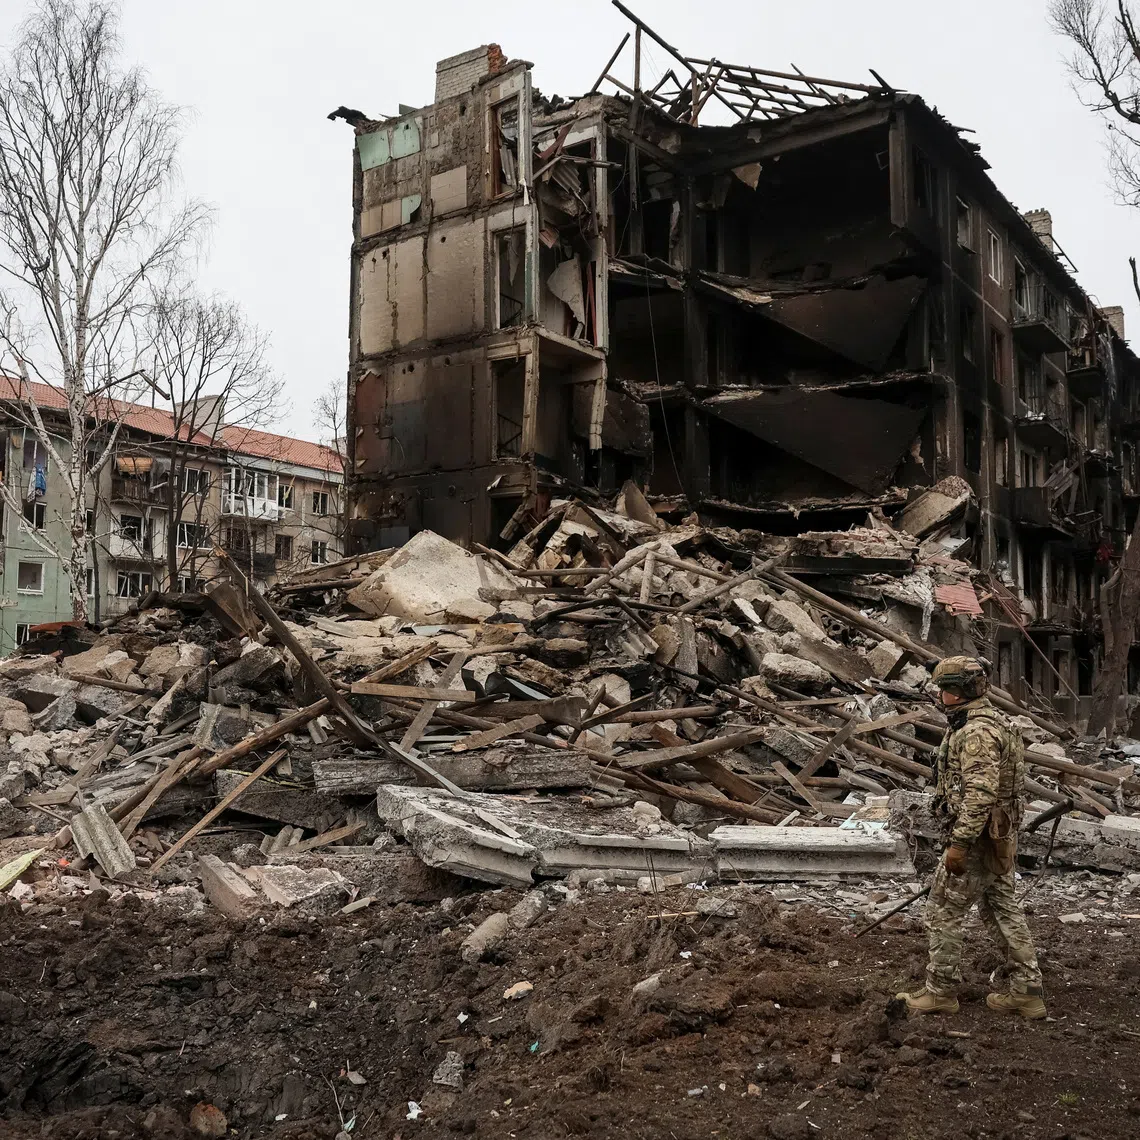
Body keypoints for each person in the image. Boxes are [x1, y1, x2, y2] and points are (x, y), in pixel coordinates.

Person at [897, 655, 1046, 1019]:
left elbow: (979, 793)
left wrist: (959, 844)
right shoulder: (992, 721)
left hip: (978, 839)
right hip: (998, 836)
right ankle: (1027, 992)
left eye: (943, 689)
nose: (938, 695)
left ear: (958, 691)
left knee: (943, 911)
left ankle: (940, 991)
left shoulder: (976, 731)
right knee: (1002, 911)